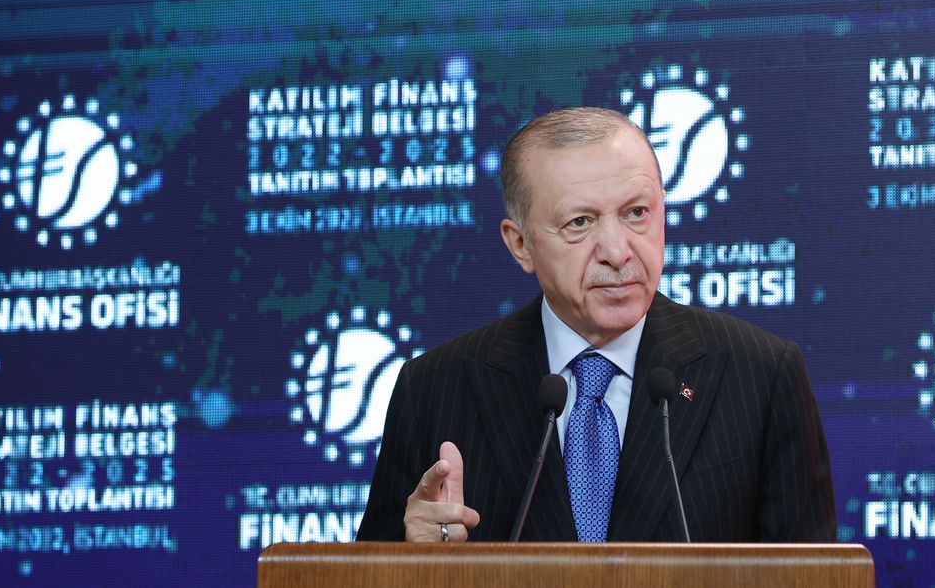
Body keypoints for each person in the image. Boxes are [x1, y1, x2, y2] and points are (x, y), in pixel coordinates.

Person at [356, 107, 835, 543]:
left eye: (636, 213)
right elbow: (376, 567)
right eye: (580, 222)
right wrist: (409, 562)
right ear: (520, 244)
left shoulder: (760, 376)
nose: (617, 250)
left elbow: (813, 575)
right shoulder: (436, 388)